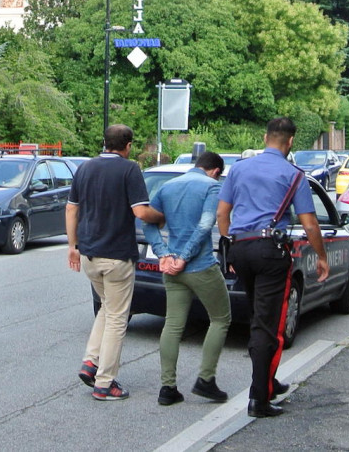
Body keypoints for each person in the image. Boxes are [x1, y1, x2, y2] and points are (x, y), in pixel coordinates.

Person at [217, 117, 329, 418]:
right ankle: (259, 399)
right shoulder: (293, 175)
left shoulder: (238, 168)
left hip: (240, 248)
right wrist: (321, 256)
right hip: (270, 252)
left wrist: (230, 241)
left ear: (265, 137)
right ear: (290, 142)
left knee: (257, 315)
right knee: (268, 324)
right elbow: (309, 222)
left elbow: (222, 212)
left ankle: (268, 380)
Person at [66, 124, 164, 401]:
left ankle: (91, 361)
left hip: (89, 255)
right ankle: (105, 382)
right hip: (117, 255)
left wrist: (72, 246)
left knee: (108, 309)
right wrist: (161, 216)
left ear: (104, 142)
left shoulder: (84, 168)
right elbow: (141, 212)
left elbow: (71, 208)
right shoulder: (129, 169)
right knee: (118, 318)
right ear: (128, 145)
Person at [142, 152, 232, 406]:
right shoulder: (212, 186)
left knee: (172, 325)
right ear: (215, 170)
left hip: (172, 270)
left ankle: (167, 388)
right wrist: (184, 256)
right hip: (201, 266)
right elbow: (205, 225)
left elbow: (149, 222)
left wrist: (164, 253)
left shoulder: (168, 186)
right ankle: (206, 380)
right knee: (221, 319)